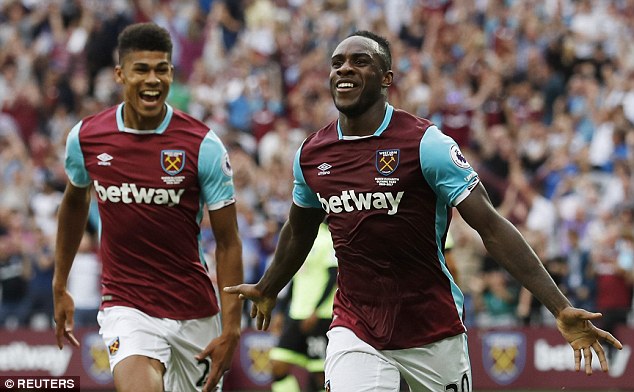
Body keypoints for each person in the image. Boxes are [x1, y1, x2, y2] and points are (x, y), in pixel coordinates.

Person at [224, 31, 623, 391]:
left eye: (360, 60)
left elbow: (491, 227)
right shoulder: (312, 154)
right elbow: (299, 230)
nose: (344, 68)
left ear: (386, 79)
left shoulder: (425, 144)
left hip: (432, 327)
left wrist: (559, 305)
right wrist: (268, 286)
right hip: (356, 325)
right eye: (337, 62)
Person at [52, 23, 243, 392]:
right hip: (126, 303)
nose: (153, 79)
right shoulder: (86, 138)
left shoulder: (203, 145)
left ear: (172, 72)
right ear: (120, 73)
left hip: (193, 311)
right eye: (142, 69)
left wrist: (232, 326)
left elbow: (229, 241)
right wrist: (60, 284)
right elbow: (74, 204)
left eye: (162, 69)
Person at [269, 222, 337, 392]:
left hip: (320, 316)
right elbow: (296, 278)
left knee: (321, 375)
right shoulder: (302, 239)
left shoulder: (328, 239)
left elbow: (332, 277)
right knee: (277, 365)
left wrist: (316, 309)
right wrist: (280, 311)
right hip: (296, 314)